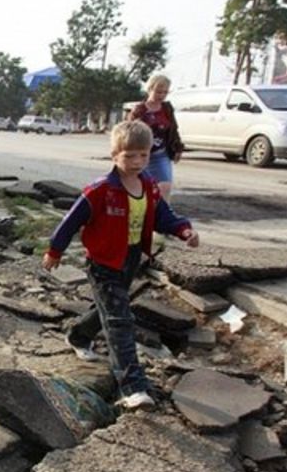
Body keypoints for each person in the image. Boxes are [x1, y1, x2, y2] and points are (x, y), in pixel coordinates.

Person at [42, 120, 199, 410]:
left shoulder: (149, 186)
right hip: (102, 261)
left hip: (130, 258)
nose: (138, 162)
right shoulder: (100, 190)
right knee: (120, 321)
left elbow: (164, 215)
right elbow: (71, 221)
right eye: (129, 155)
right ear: (115, 155)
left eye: (143, 154)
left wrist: (183, 230)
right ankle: (133, 387)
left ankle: (78, 335)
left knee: (109, 308)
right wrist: (55, 250)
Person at [126, 74, 184, 202]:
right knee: (139, 189)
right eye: (158, 92)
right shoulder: (139, 110)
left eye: (165, 92)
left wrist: (178, 148)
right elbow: (126, 132)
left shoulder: (167, 109)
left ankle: (163, 217)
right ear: (150, 89)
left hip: (160, 155)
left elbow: (173, 129)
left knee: (165, 187)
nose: (162, 95)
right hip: (140, 156)